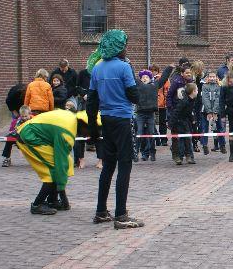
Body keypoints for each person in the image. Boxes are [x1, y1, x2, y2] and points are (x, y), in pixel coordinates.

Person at [86, 29, 144, 229]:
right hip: (122, 119)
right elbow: (134, 96)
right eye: (125, 45)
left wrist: (93, 129)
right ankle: (121, 214)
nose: (126, 49)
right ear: (119, 48)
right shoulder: (124, 67)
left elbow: (91, 101)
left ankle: (101, 211)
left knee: (108, 166)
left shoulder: (97, 68)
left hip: (106, 119)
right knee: (125, 165)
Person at [15, 109, 84, 215]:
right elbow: (60, 163)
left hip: (32, 133)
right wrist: (62, 193)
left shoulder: (72, 119)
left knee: (67, 162)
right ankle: (37, 205)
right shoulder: (66, 132)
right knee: (52, 171)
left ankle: (52, 200)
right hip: (29, 136)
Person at [170, 83, 198, 165]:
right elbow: (176, 112)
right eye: (196, 90)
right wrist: (171, 124)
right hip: (177, 122)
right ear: (193, 91)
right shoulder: (184, 101)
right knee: (179, 141)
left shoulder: (192, 100)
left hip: (185, 121)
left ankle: (189, 156)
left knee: (188, 139)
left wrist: (192, 119)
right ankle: (178, 157)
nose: (197, 91)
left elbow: (189, 112)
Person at [135, 70, 159, 162]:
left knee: (151, 133)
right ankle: (136, 153)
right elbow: (132, 76)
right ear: (140, 79)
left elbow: (163, 79)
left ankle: (152, 153)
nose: (145, 78)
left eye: (147, 77)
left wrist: (169, 68)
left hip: (150, 114)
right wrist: (128, 64)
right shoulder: (139, 86)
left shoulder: (153, 86)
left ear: (150, 79)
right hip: (140, 114)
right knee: (139, 133)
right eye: (143, 77)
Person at [200, 71, 224, 155]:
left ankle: (222, 145)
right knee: (204, 128)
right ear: (208, 78)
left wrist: (215, 111)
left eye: (214, 77)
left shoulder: (219, 86)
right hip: (205, 111)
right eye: (210, 77)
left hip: (217, 111)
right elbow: (205, 99)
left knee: (219, 127)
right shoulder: (204, 86)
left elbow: (218, 99)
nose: (212, 78)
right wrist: (209, 111)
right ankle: (204, 145)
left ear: (216, 78)